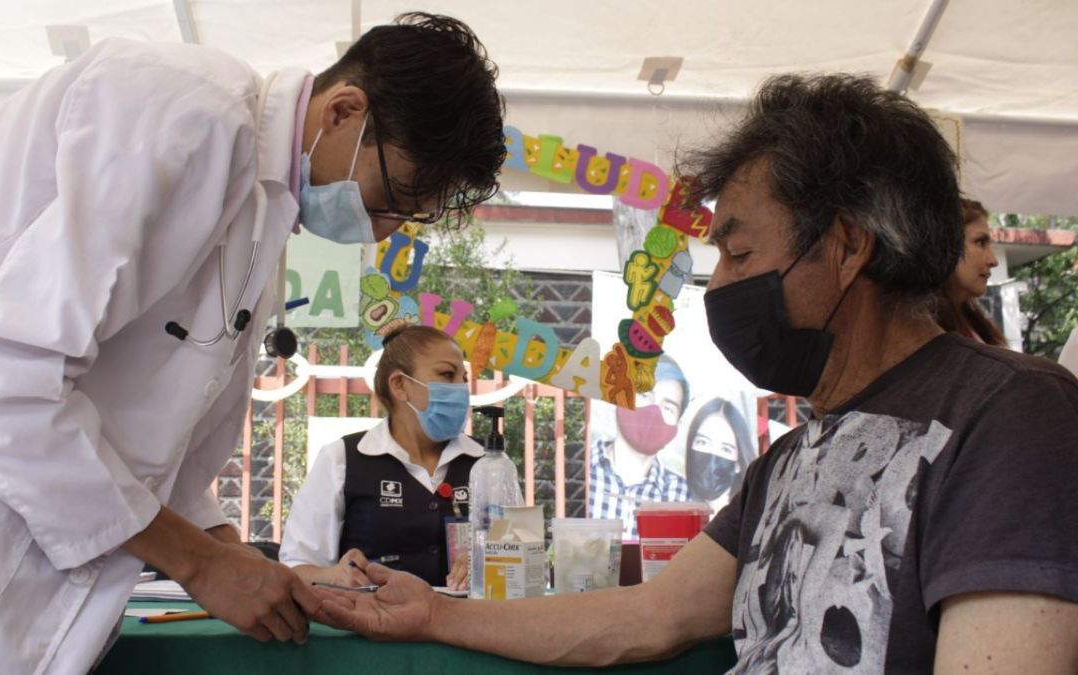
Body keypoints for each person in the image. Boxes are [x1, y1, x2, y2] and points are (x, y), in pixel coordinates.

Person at [313, 73, 1078, 673]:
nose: (716, 289)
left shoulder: (1013, 419)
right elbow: (650, 616)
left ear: (848, 247)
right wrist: (438, 613)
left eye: (739, 254)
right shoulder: (788, 459)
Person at [0, 13, 504, 673]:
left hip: (8, 568)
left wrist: (238, 556)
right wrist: (200, 562)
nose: (381, 232)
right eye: (393, 197)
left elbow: (151, 440)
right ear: (344, 111)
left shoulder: (263, 213)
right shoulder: (188, 109)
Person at [280, 325, 480, 590]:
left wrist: (487, 560)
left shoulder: (487, 463)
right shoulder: (342, 459)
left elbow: (523, 556)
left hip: (465, 626)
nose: (461, 389)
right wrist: (334, 576)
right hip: (370, 626)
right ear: (400, 385)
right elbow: (297, 567)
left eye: (464, 379)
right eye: (447, 374)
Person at [588, 355, 690, 539]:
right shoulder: (577, 471)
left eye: (668, 407)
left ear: (678, 425)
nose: (653, 411)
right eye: (644, 395)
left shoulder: (684, 496)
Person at [934, 197, 1007, 346]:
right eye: (980, 242)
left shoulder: (970, 320)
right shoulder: (922, 330)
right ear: (945, 245)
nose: (993, 260)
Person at [683, 397, 755, 510]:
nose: (711, 463)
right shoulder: (673, 496)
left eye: (726, 449)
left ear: (738, 464)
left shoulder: (749, 514)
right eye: (703, 442)